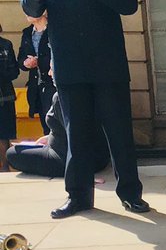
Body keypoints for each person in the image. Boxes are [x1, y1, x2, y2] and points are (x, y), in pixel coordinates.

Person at [21, 0, 148, 219]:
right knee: (75, 133)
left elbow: (130, 5)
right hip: (68, 61)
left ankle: (131, 193)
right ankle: (77, 196)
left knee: (119, 130)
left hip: (107, 61)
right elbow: (31, 9)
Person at [5, 92, 107, 178]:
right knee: (20, 148)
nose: (49, 73)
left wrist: (84, 176)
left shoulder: (62, 97)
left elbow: (78, 135)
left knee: (12, 153)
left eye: (51, 69)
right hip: (95, 157)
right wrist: (49, 137)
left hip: (66, 159)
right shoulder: (93, 92)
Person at [19, 13, 54, 133]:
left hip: (52, 84)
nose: (26, 13)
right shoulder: (27, 33)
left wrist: (40, 61)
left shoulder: (54, 29)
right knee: (44, 123)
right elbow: (21, 58)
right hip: (36, 86)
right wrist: (26, 63)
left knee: (55, 124)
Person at [0, 22, 17, 171]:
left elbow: (14, 71)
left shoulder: (5, 45)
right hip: (5, 95)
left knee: (4, 134)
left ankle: (5, 168)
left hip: (5, 96)